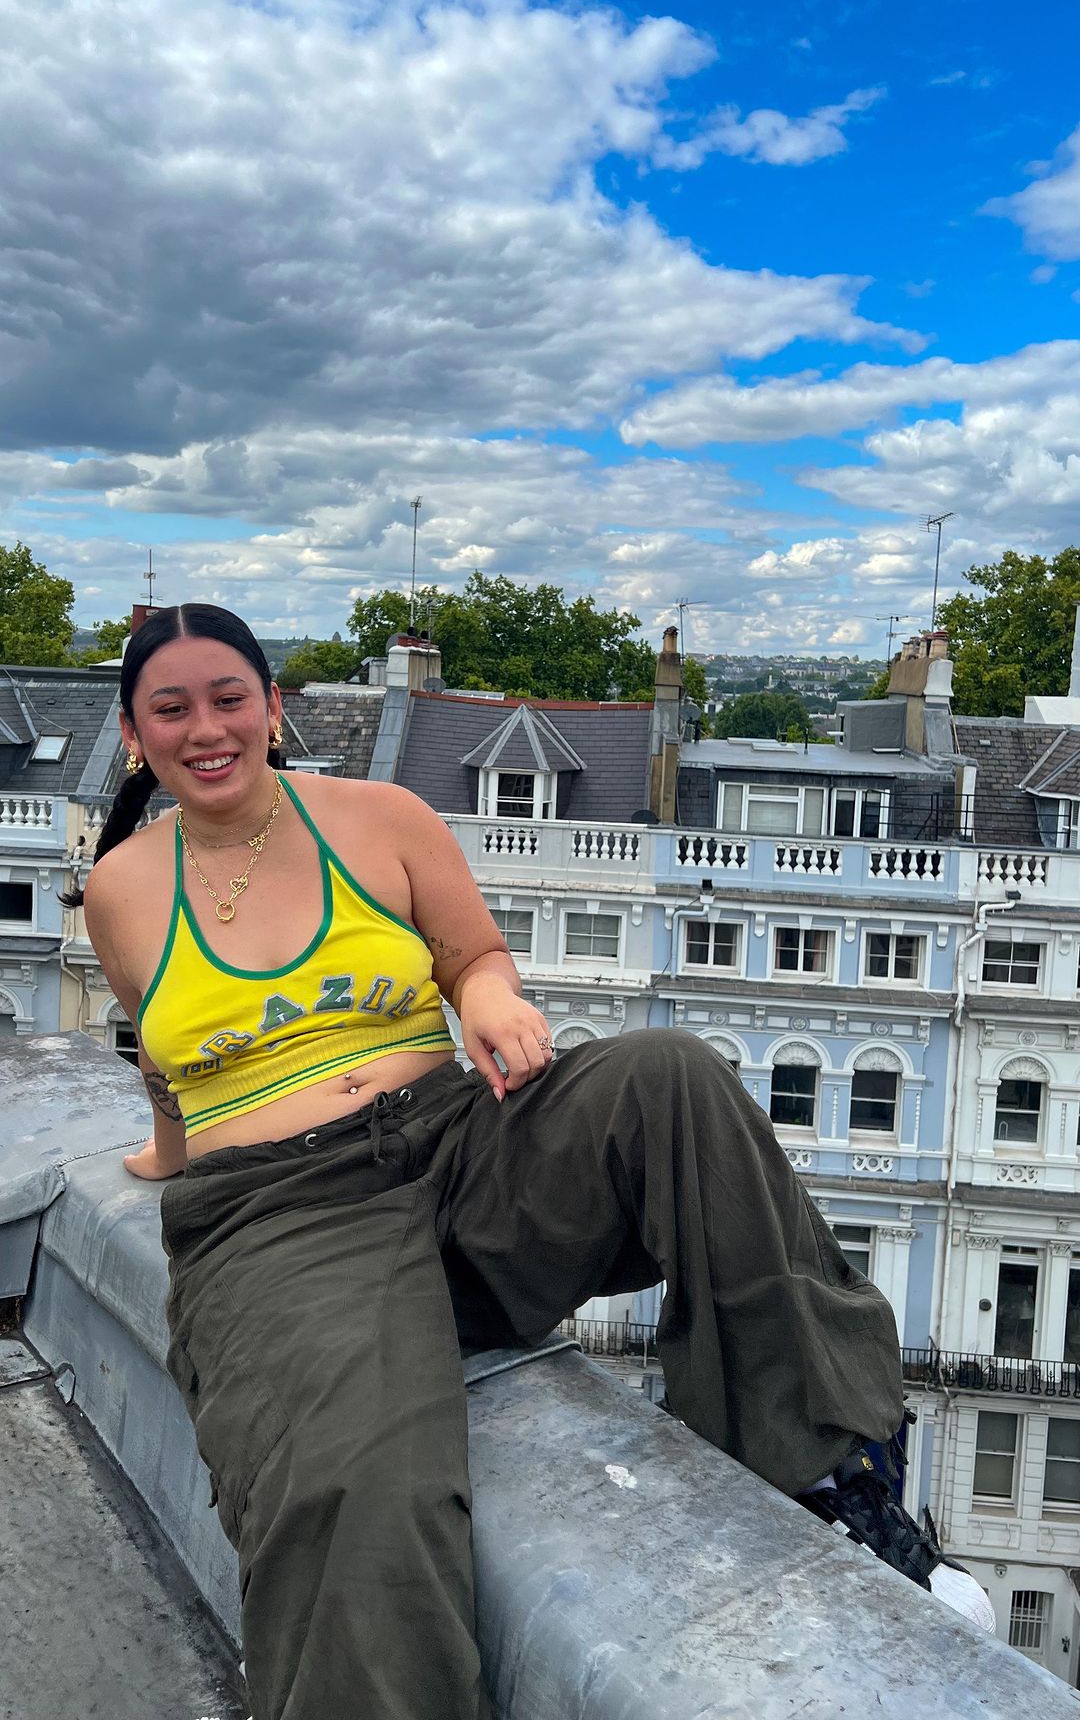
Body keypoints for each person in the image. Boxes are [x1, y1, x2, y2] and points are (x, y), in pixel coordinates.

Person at [75, 603, 993, 1720]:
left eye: (229, 698)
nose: (206, 729)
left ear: (272, 707)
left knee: (668, 1076)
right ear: (136, 734)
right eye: (172, 709)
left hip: (454, 1149)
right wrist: (166, 1158)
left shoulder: (382, 819)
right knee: (359, 1481)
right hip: (284, 1214)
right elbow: (165, 1057)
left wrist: (489, 1001)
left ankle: (831, 1481)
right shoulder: (124, 887)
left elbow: (471, 957)